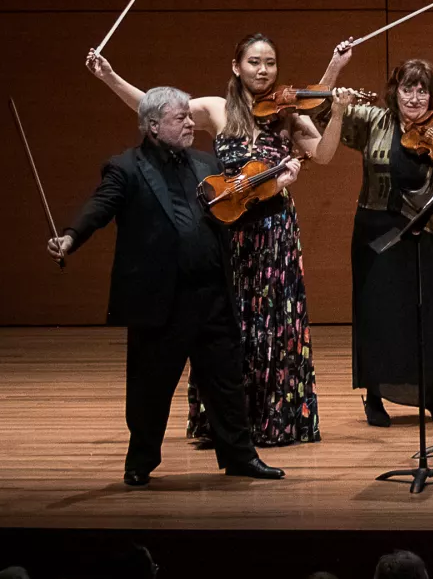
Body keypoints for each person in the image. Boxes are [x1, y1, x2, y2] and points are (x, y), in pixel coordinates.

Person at [88, 34, 337, 447]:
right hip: (227, 229)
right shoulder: (217, 110)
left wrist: (339, 109)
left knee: (273, 325)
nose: (263, 70)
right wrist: (111, 76)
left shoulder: (289, 115)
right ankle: (225, 424)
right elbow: (151, 106)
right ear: (236, 66)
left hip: (274, 232)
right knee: (224, 326)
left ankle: (273, 422)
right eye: (254, 61)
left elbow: (324, 154)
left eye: (270, 62)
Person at [47, 86, 286, 485]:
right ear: (154, 125)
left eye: (190, 116)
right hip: (161, 299)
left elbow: (232, 213)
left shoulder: (204, 162)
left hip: (210, 294)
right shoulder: (125, 168)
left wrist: (275, 190)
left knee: (225, 382)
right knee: (150, 386)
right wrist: (71, 237)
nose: (192, 123)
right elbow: (100, 207)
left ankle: (240, 456)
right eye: (182, 118)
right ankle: (140, 461)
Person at [311, 59, 433, 428]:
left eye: (423, 90)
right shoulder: (373, 119)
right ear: (395, 91)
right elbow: (320, 107)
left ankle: (431, 396)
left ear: (432, 97)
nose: (415, 97)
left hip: (420, 232)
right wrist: (336, 72)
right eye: (408, 88)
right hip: (374, 230)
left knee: (423, 314)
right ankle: (375, 397)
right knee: (377, 315)